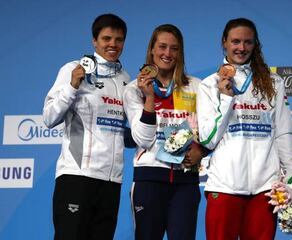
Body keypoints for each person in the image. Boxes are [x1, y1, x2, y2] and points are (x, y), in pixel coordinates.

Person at [196, 18, 292, 240]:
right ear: (224, 42)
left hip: (265, 190)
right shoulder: (209, 84)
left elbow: (284, 134)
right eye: (235, 41)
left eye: (248, 42)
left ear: (255, 45)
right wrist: (226, 99)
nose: (241, 48)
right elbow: (208, 140)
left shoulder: (273, 83)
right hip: (224, 187)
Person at [43, 13, 130, 240]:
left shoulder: (126, 79)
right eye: (106, 38)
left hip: (111, 181)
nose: (113, 44)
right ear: (94, 41)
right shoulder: (73, 69)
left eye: (118, 39)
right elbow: (49, 118)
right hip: (77, 176)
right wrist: (72, 86)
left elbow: (125, 132)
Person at [123, 24, 208, 240]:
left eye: (174, 48)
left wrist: (202, 150)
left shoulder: (196, 87)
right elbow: (142, 138)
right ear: (152, 49)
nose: (167, 54)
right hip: (148, 179)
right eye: (162, 46)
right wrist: (149, 98)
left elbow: (211, 130)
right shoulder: (134, 89)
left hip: (185, 181)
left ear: (180, 53)